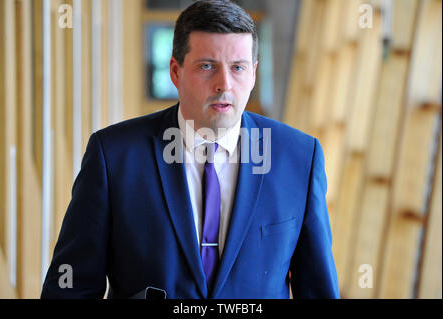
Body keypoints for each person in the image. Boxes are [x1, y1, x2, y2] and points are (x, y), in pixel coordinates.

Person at [41, 0, 339, 299]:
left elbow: (318, 290)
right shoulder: (114, 156)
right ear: (175, 71)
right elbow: (70, 287)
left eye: (238, 68)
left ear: (253, 74)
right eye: (207, 67)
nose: (224, 84)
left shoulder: (299, 158)